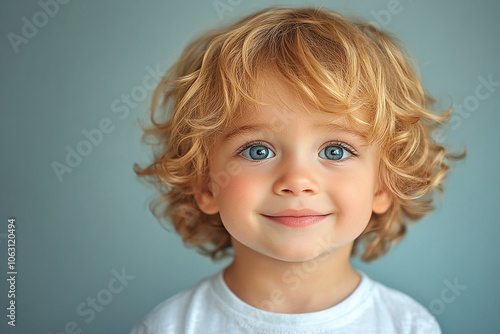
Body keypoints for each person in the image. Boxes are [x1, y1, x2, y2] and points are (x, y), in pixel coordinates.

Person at [131, 6, 462, 333]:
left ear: (384, 185)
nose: (298, 181)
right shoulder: (170, 327)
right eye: (258, 151)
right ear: (204, 184)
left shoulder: (408, 326)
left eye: (335, 151)